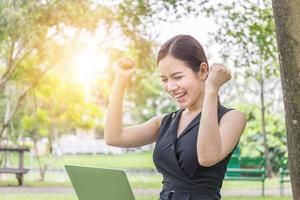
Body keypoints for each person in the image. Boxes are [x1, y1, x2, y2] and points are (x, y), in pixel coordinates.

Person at [104, 34, 246, 200]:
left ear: (203, 71)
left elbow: (207, 157)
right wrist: (120, 80)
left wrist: (212, 89)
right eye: (165, 79)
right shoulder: (165, 122)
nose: (170, 87)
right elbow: (114, 137)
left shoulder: (231, 118)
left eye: (178, 77)